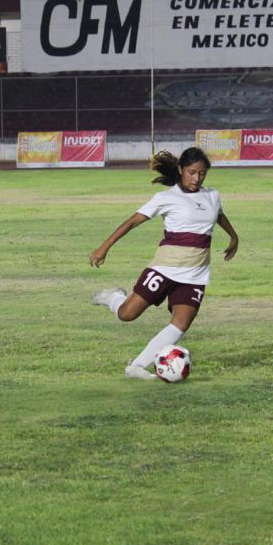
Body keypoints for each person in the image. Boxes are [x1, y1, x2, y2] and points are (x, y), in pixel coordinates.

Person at [90, 148, 240, 380]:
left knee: (180, 324)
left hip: (195, 275)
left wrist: (233, 236)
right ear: (181, 169)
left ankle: (136, 367)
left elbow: (218, 215)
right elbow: (131, 222)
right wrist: (104, 247)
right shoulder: (166, 198)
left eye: (202, 174)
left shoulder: (212, 195)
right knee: (126, 314)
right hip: (164, 268)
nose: (197, 178)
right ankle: (113, 297)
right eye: (191, 172)